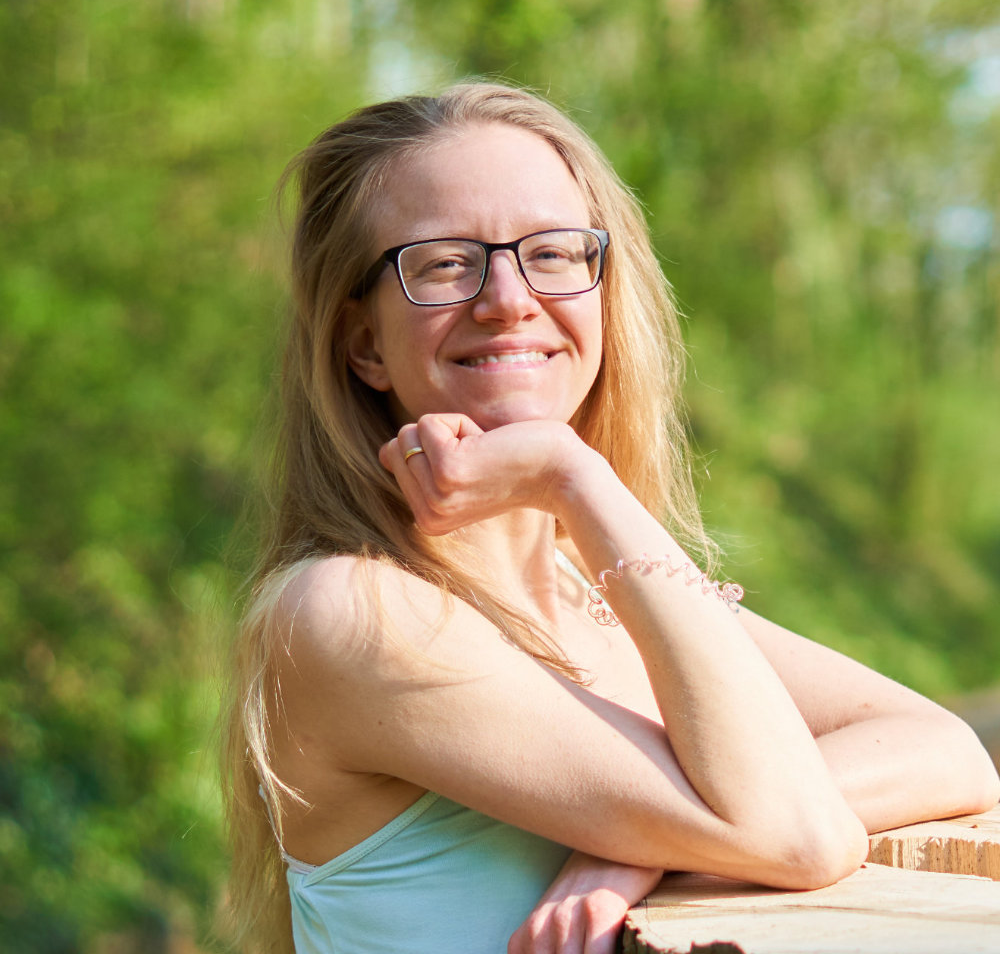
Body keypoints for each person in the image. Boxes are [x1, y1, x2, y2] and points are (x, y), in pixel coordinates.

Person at [220, 82, 999, 954]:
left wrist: (631, 856)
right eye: (443, 263)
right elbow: (797, 834)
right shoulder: (346, 613)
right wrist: (572, 474)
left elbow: (946, 749)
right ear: (363, 344)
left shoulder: (590, 588)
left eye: (552, 253)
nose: (508, 299)